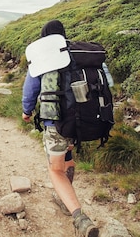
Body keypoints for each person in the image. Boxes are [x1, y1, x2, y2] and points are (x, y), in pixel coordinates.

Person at [22, 19, 99, 237]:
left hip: (56, 123)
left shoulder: (44, 57)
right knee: (68, 153)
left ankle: (80, 218)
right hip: (82, 119)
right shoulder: (79, 53)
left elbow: (30, 90)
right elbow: (107, 83)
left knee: (55, 170)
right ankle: (65, 202)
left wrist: (26, 112)